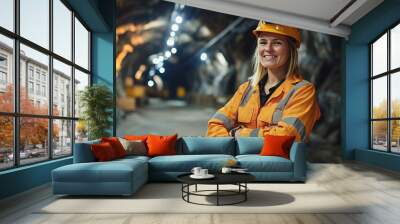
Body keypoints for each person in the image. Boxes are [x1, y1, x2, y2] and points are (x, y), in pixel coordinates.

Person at [206, 20, 320, 142]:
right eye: (263, 42)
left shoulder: (302, 91)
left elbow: (286, 136)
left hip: (276, 161)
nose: (268, 49)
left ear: (290, 49)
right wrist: (232, 143)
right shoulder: (246, 89)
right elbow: (214, 126)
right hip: (239, 161)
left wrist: (237, 134)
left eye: (277, 43)